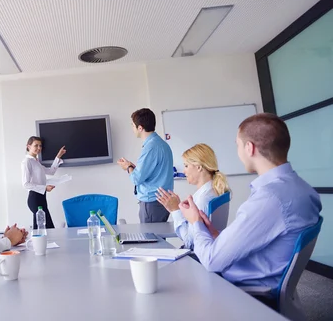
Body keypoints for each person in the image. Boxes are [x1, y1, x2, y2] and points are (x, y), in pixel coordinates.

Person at [178, 113, 321, 295]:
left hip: (244, 293)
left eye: (237, 145)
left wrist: (195, 222)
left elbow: (211, 260)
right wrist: (216, 235)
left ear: (249, 148)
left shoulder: (269, 199)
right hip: (266, 280)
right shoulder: (304, 189)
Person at [156, 143, 230, 248]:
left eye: (186, 166)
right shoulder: (215, 191)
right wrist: (181, 210)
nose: (184, 171)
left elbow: (190, 241)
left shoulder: (203, 199)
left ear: (199, 167)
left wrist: (175, 211)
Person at [117, 108, 174, 223]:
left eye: (133, 125)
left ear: (140, 128)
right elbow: (151, 173)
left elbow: (136, 179)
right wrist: (132, 167)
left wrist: (128, 168)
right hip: (159, 202)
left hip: (152, 203)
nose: (132, 129)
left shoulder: (150, 147)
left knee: (150, 240)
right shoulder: (161, 144)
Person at [21, 136, 66, 230]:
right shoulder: (27, 162)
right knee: (46, 227)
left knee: (41, 227)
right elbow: (26, 184)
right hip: (35, 198)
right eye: (36, 145)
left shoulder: (36, 162)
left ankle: (39, 244)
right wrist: (44, 188)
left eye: (40, 146)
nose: (39, 148)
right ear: (28, 146)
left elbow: (51, 172)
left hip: (41, 197)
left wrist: (58, 156)